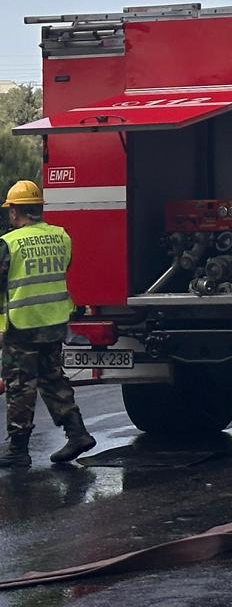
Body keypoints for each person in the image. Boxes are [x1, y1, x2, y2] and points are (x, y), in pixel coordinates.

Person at [0, 181, 96, 469]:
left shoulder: (9, 243)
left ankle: (18, 449)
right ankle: (77, 433)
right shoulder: (61, 236)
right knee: (51, 377)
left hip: (22, 324)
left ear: (15, 211)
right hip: (53, 321)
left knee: (20, 384)